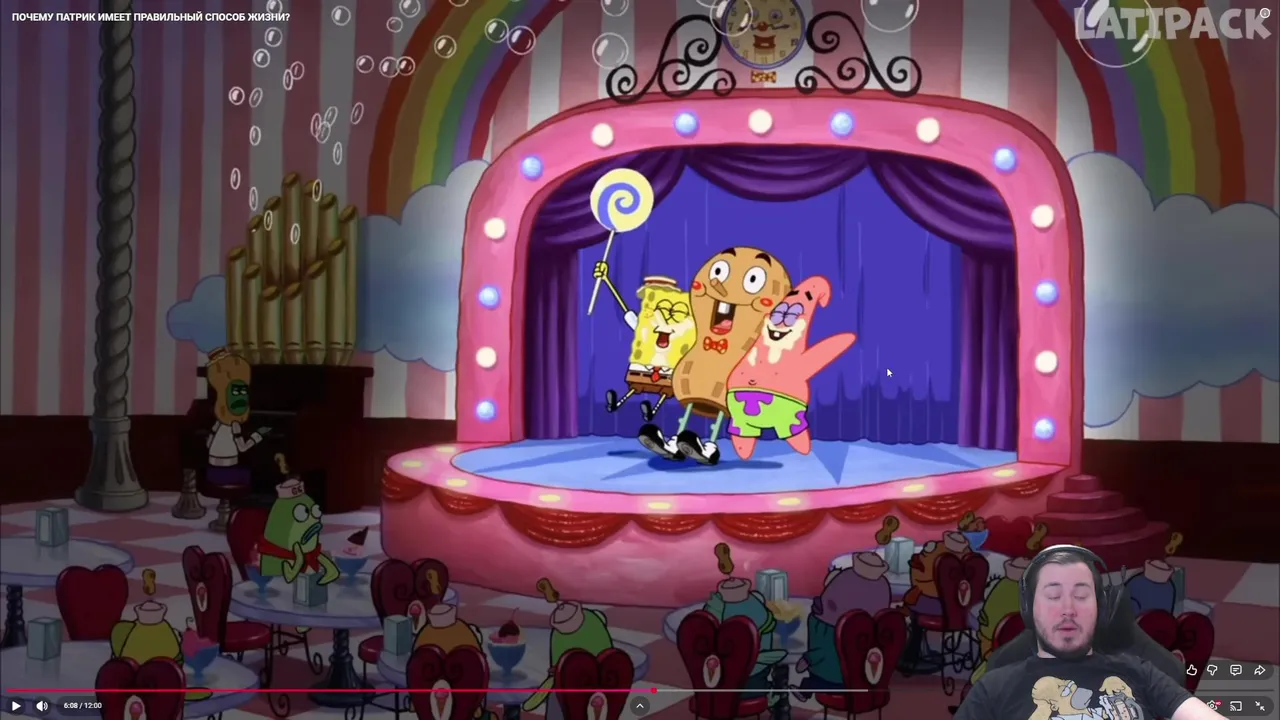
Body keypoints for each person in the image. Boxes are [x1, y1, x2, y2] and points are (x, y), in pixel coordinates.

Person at [955, 545, 1226, 720]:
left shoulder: (1139, 672)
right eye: (1053, 596)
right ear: (1030, 609)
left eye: (1082, 596)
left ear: (1100, 609)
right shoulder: (994, 687)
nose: (1068, 609)